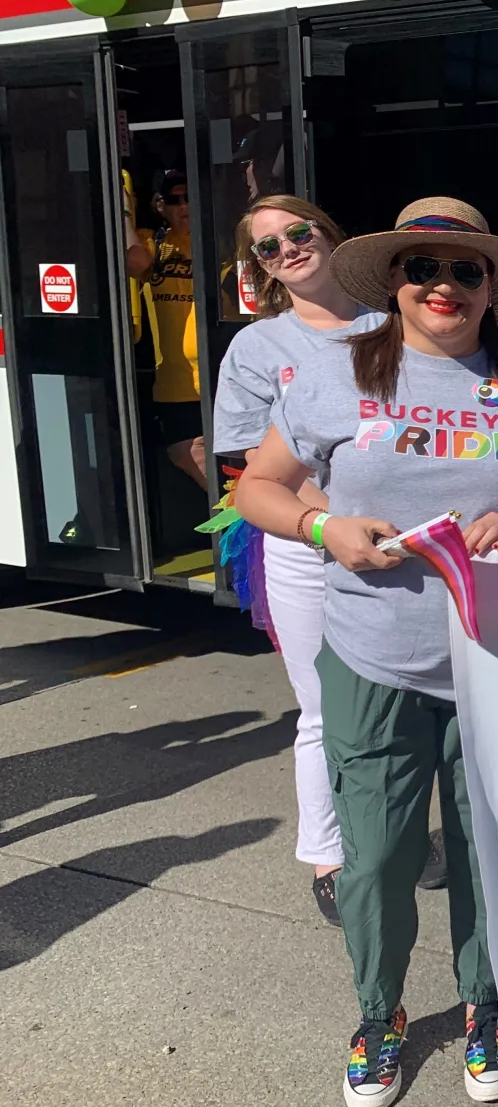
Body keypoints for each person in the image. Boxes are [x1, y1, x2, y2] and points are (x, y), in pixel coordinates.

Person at [235, 197, 498, 1107]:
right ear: (394, 282)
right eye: (421, 269)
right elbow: (259, 490)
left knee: (487, 855)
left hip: (497, 664)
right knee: (379, 858)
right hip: (372, 661)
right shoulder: (333, 376)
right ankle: (379, 1016)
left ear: (490, 287)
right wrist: (325, 526)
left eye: (464, 271)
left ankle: (487, 1010)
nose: (442, 285)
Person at [212, 196, 384, 927]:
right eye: (268, 247)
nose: (288, 249)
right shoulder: (257, 349)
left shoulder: (391, 321)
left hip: (399, 544)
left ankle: (387, 837)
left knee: (404, 709)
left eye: (298, 232)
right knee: (323, 709)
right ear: (260, 268)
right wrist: (331, 521)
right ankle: (329, 857)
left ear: (328, 231)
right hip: (305, 544)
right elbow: (253, 460)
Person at [126, 169, 206, 491]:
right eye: (174, 199)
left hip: (219, 376)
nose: (184, 205)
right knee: (186, 453)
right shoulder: (152, 242)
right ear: (160, 205)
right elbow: (134, 263)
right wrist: (123, 205)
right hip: (175, 381)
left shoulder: (217, 240)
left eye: (190, 197)